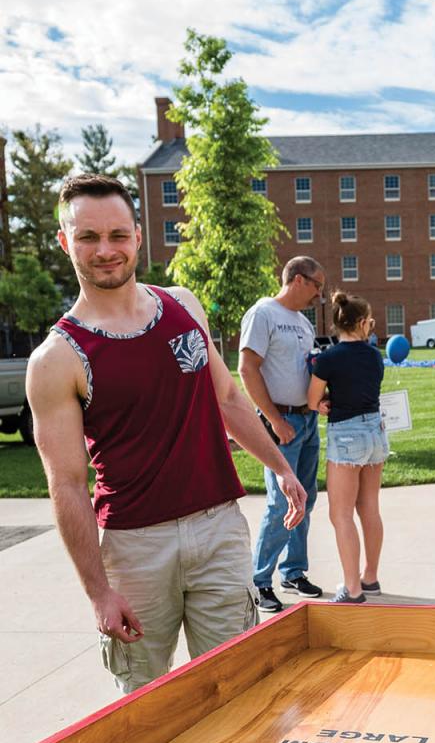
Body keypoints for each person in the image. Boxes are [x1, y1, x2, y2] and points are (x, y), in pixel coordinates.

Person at [27, 173, 307, 693]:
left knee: (238, 686)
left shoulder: (183, 305)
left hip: (219, 529)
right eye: (88, 237)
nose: (105, 250)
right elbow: (66, 484)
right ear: (66, 242)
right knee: (145, 703)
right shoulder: (56, 358)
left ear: (138, 234)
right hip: (135, 549)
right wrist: (98, 593)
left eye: (117, 235)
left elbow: (226, 398)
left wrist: (281, 466)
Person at [239, 257, 326, 611]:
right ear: (299, 279)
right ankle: (258, 582)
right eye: (317, 285)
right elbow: (246, 369)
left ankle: (293, 571)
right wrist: (274, 419)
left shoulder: (302, 324)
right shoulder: (263, 314)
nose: (320, 294)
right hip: (281, 423)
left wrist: (320, 403)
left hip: (306, 422)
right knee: (280, 503)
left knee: (306, 499)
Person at [307, 292, 387, 603]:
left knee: (340, 514)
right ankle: (370, 578)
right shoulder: (373, 355)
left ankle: (351, 589)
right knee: (369, 508)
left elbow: (312, 400)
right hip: (376, 432)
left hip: (346, 434)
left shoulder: (327, 359)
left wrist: (324, 402)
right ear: (363, 322)